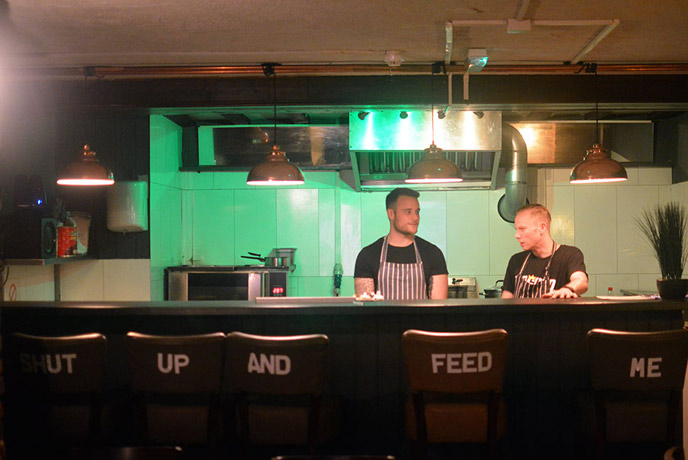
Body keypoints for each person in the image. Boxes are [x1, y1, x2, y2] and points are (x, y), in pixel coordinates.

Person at [354, 188, 448, 300]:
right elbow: (366, 309)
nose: (415, 217)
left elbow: (438, 308)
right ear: (391, 214)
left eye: (417, 212)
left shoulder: (433, 254)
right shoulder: (367, 255)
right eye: (408, 211)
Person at [502, 203, 588, 299]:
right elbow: (507, 298)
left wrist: (568, 289)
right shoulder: (517, 260)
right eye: (516, 229)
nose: (516, 235)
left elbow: (581, 281)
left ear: (542, 228)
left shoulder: (570, 255)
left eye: (522, 229)